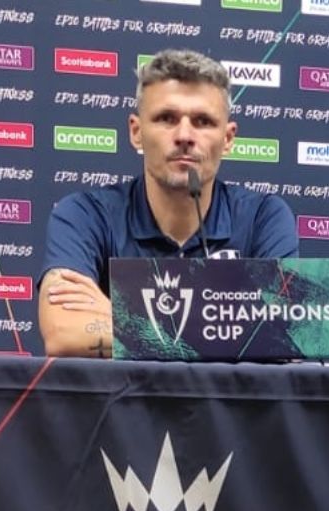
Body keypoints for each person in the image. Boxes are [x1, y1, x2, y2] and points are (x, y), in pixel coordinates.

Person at [38, 49, 298, 358]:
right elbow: (64, 334)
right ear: (136, 132)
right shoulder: (84, 215)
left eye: (203, 121)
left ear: (228, 139)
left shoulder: (263, 218)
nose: (185, 135)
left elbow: (287, 336)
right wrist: (224, 329)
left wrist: (120, 316)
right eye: (166, 118)